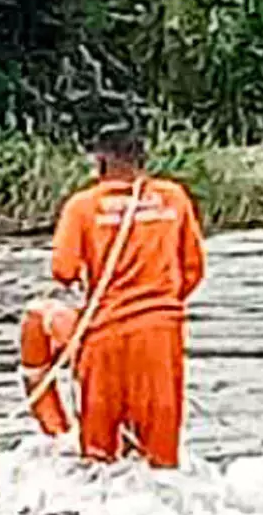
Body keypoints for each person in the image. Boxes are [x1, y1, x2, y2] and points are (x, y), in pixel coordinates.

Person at [47, 131, 206, 468]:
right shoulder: (174, 198)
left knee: (98, 458)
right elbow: (193, 269)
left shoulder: (82, 206)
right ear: (142, 159)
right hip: (160, 338)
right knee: (162, 461)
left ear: (101, 161)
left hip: (104, 337)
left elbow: (63, 269)